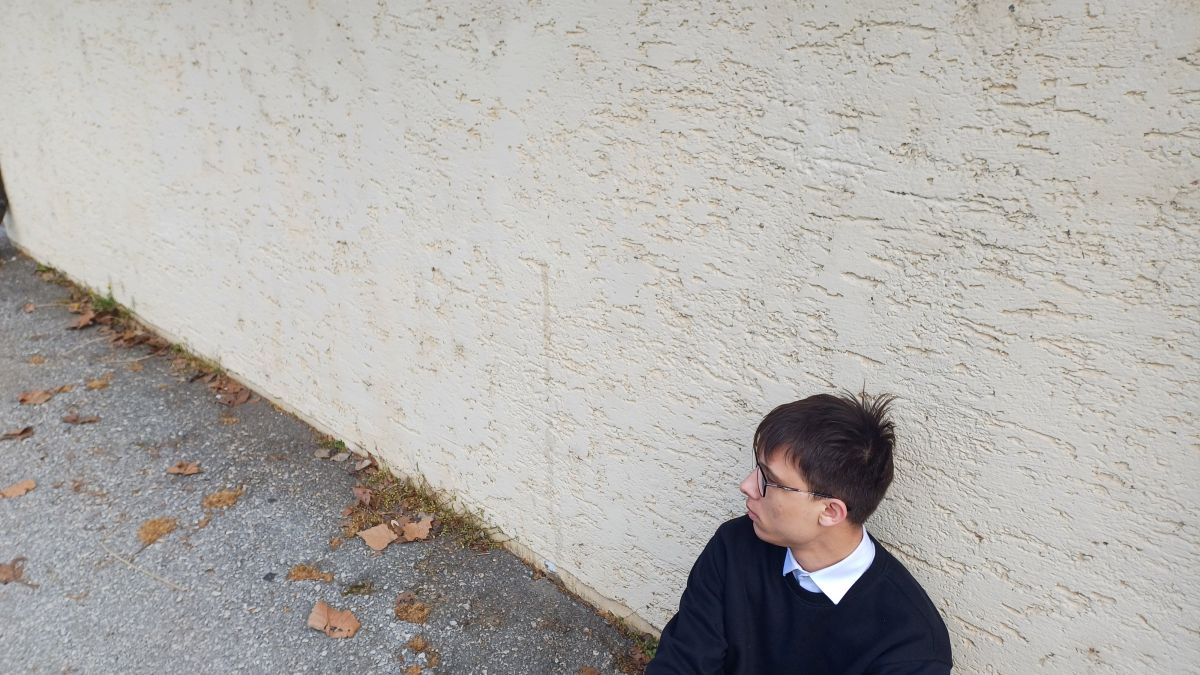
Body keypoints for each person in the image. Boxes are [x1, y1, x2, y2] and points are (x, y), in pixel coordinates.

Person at [646, 392, 952, 674]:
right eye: (757, 468)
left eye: (769, 480)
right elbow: (680, 663)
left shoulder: (911, 646)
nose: (747, 486)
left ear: (830, 511)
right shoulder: (735, 545)